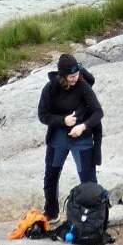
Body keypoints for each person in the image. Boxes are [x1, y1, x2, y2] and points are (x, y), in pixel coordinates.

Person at [37, 52, 102, 224]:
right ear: (62, 76)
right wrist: (62, 120)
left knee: (88, 180)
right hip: (58, 137)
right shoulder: (50, 89)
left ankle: (94, 218)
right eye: (71, 76)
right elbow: (43, 115)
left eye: (77, 74)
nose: (75, 79)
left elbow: (98, 112)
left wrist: (83, 126)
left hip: (81, 138)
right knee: (51, 175)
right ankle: (51, 212)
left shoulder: (82, 85)